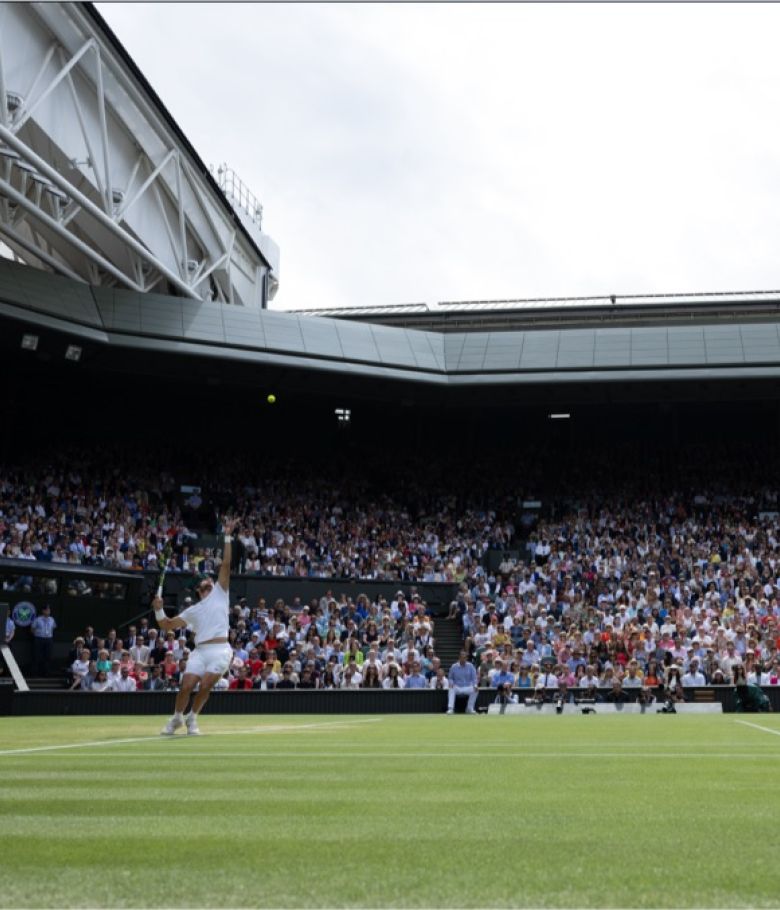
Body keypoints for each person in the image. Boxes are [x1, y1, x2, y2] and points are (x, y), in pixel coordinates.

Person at [156, 518, 238, 736]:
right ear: (200, 591)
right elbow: (166, 624)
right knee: (186, 686)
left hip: (220, 650)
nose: (209, 583)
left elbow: (227, 564)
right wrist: (158, 610)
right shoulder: (192, 611)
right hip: (200, 651)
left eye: (210, 582)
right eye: (205, 585)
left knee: (206, 686)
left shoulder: (221, 592)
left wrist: (228, 535)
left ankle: (192, 719)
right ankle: (176, 719)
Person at [30, 605, 56, 676]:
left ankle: (46, 672)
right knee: (37, 655)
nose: (48, 611)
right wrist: (38, 635)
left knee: (48, 656)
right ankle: (34, 672)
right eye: (47, 610)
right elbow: (32, 629)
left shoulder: (52, 619)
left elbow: (53, 628)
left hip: (48, 639)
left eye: (49, 610)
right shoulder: (37, 619)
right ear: (43, 611)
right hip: (39, 639)